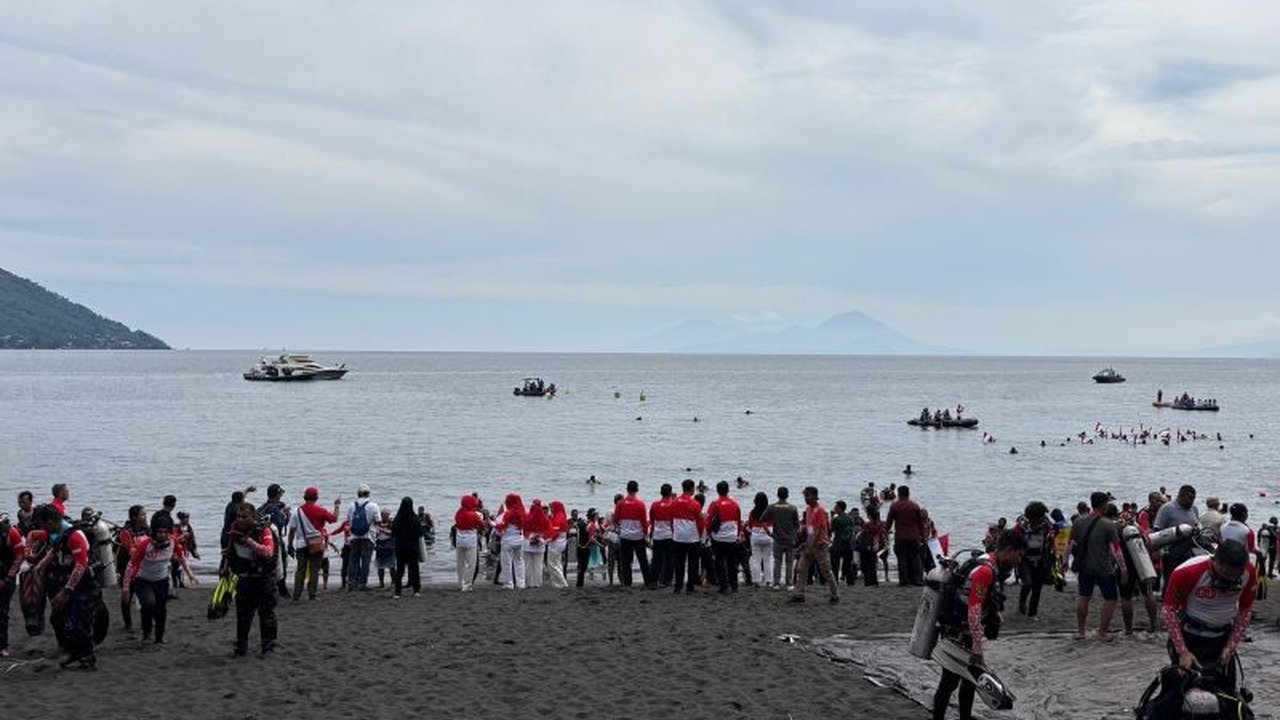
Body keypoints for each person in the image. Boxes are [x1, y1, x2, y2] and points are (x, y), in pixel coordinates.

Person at [931, 530, 1026, 720]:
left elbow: (978, 598)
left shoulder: (986, 561)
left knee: (969, 681)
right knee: (949, 682)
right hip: (959, 633)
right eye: (1019, 555)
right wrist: (976, 644)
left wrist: (994, 613)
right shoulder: (986, 570)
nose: (1019, 561)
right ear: (1009, 550)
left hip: (959, 629)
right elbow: (973, 609)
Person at [1162, 540, 1257, 688]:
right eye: (1226, 573)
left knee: (1226, 690)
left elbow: (1245, 611)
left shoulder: (1248, 572)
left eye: (1236, 575)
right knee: (1182, 688)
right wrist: (1183, 652)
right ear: (1214, 561)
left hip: (1222, 637)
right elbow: (1168, 610)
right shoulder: (1188, 572)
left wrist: (1230, 647)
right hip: (1190, 636)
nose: (1231, 579)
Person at [27, 504, 99, 668]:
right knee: (58, 619)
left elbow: (81, 566)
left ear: (51, 521)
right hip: (68, 579)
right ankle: (73, 651)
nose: (43, 529)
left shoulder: (74, 536)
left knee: (80, 622)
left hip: (84, 583)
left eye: (44, 525)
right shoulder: (59, 533)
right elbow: (54, 551)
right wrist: (40, 566)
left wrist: (66, 591)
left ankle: (87, 657)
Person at [122, 512, 195, 645]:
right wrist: (126, 589)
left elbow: (181, 557)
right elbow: (131, 565)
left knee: (161, 608)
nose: (161, 535)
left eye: (164, 532)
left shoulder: (173, 541)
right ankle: (147, 632)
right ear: (154, 532)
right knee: (149, 604)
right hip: (143, 580)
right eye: (158, 532)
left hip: (161, 580)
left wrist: (190, 574)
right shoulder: (145, 545)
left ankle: (159, 637)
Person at [1069, 491, 1126, 642]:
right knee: (1110, 599)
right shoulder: (1108, 524)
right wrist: (1123, 569)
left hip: (1084, 566)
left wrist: (1063, 563)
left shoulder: (1079, 522)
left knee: (1084, 597)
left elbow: (1070, 544)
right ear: (1104, 505)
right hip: (1103, 567)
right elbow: (1116, 549)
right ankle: (1102, 632)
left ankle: (1081, 631)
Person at [223, 501, 278, 657]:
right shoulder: (234, 530)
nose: (240, 519)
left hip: (263, 579)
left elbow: (268, 551)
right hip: (244, 578)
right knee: (243, 615)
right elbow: (229, 549)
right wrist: (226, 567)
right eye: (239, 516)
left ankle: (268, 647)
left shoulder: (264, 530)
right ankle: (241, 647)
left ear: (252, 517)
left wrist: (249, 542)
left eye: (244, 516)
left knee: (266, 614)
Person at [286, 486, 340, 601]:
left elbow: (291, 530)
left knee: (300, 570)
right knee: (314, 570)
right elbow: (334, 519)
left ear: (305, 497)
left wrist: (290, 544)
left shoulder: (296, 512)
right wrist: (336, 506)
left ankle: (296, 595)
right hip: (316, 545)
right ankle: (312, 595)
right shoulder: (320, 510)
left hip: (301, 545)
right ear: (316, 498)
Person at [790, 486, 838, 604]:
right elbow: (810, 528)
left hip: (820, 545)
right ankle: (799, 594)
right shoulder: (809, 509)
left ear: (815, 496)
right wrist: (805, 537)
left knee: (826, 571)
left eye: (808, 495)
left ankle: (835, 594)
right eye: (805, 496)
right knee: (801, 568)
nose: (806, 498)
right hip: (810, 543)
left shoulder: (820, 510)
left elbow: (818, 530)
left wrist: (810, 545)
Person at [1153, 484, 1200, 586]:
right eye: (1188, 499)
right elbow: (1157, 529)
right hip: (1171, 551)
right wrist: (1156, 550)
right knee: (1170, 581)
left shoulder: (1194, 509)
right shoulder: (1167, 508)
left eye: (1193, 499)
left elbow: (1197, 526)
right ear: (1180, 496)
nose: (1190, 501)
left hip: (1189, 551)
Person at [1015, 501, 1055, 618]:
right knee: (1027, 583)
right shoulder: (1021, 527)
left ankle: (1032, 613)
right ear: (1033, 518)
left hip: (1040, 560)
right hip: (1024, 561)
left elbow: (1051, 542)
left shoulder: (1047, 526)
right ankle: (1022, 603)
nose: (1043, 518)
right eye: (1041, 516)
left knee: (1037, 588)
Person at [115, 504, 149, 631]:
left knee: (145, 596)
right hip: (126, 566)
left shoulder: (146, 528)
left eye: (145, 514)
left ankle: (145, 621)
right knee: (127, 594)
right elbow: (130, 550)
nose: (145, 517)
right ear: (134, 517)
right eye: (142, 514)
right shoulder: (126, 531)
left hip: (143, 566)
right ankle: (128, 623)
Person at [613, 481, 652, 588]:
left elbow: (615, 519)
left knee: (626, 561)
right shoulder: (640, 504)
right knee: (642, 559)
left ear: (627, 489)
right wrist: (645, 533)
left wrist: (623, 527)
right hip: (638, 536)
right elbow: (644, 521)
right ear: (637, 490)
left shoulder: (621, 503)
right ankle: (647, 581)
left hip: (625, 536)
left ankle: (627, 582)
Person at [707, 480, 742, 594]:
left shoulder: (714, 504)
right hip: (732, 537)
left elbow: (708, 521)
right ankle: (734, 586)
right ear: (728, 490)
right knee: (732, 563)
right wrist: (737, 535)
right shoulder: (735, 504)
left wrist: (708, 534)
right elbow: (738, 521)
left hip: (718, 538)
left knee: (719, 562)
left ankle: (723, 586)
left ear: (717, 491)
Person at [887, 485, 926, 586]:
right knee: (915, 558)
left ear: (899, 494)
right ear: (908, 493)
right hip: (913, 536)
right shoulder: (915, 506)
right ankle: (917, 580)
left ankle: (904, 580)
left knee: (902, 559)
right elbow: (920, 523)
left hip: (900, 536)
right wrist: (922, 535)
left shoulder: (895, 506)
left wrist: (886, 531)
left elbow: (889, 522)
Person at [0, 512, 27, 658]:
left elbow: (20, 555)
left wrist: (8, 578)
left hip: (5, 578)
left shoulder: (10, 533)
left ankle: (2, 646)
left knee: (2, 613)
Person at [763, 487, 800, 590]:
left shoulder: (772, 507)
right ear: (787, 495)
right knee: (789, 562)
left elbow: (762, 520)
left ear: (777, 494)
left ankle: (776, 583)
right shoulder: (793, 508)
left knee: (777, 561)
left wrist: (768, 532)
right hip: (790, 539)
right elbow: (797, 525)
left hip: (777, 538)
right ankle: (789, 584)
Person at [671, 479, 703, 594]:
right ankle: (690, 587)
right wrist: (699, 536)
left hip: (678, 537)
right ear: (692, 489)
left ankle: (678, 587)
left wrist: (674, 531)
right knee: (693, 563)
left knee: (679, 562)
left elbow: (671, 520)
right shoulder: (695, 504)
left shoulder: (674, 502)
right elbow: (700, 522)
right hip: (692, 537)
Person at [257, 484, 290, 596]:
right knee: (281, 563)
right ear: (277, 494)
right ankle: (282, 590)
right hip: (275, 538)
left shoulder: (263, 507)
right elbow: (281, 524)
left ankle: (271, 586)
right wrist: (286, 515)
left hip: (264, 539)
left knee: (267, 563)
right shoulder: (275, 509)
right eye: (280, 493)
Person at [344, 484, 378, 591]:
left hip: (354, 537)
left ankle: (352, 583)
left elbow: (349, 520)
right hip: (368, 537)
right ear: (368, 493)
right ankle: (363, 584)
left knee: (353, 560)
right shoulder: (373, 506)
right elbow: (378, 521)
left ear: (358, 494)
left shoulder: (351, 505)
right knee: (365, 561)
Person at [452, 495, 485, 591]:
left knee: (460, 563)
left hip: (459, 540)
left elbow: (456, 523)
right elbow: (482, 526)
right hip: (470, 540)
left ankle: (460, 583)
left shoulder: (458, 513)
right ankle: (467, 584)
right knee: (471, 563)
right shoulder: (474, 515)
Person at [391, 497, 422, 597]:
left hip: (400, 547)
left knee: (400, 569)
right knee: (414, 569)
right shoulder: (415, 519)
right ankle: (416, 590)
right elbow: (420, 534)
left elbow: (393, 534)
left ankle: (397, 592)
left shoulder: (397, 519)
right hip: (413, 547)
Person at [494, 493, 526, 590]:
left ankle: (509, 583)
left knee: (506, 562)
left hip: (508, 540)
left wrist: (491, 523)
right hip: (519, 540)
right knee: (519, 561)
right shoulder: (522, 512)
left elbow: (501, 526)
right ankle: (521, 583)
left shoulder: (509, 513)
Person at [649, 484, 675, 587]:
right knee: (670, 559)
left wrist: (651, 533)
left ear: (661, 492)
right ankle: (667, 580)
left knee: (656, 559)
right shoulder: (673, 504)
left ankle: (654, 580)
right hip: (670, 535)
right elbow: (674, 521)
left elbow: (651, 520)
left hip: (658, 535)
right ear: (670, 493)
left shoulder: (655, 505)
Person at [746, 492, 773, 588]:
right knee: (767, 559)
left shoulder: (753, 512)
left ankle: (756, 581)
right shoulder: (770, 511)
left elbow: (750, 525)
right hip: (768, 536)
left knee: (756, 559)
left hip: (756, 536)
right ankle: (768, 581)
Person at [523, 499, 551, 588]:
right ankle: (537, 583)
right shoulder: (545, 519)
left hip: (528, 542)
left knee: (527, 565)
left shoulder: (527, 517)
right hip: (539, 542)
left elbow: (524, 530)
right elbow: (549, 531)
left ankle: (528, 582)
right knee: (538, 565)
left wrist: (529, 537)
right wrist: (542, 539)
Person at [829, 501, 856, 586]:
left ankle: (835, 581)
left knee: (835, 565)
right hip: (848, 544)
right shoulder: (850, 518)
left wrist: (832, 516)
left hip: (838, 544)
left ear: (839, 508)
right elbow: (852, 529)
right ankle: (850, 581)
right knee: (848, 564)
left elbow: (831, 529)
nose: (834, 508)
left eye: (836, 507)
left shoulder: (837, 519)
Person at [856, 508, 885, 587]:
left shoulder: (867, 524)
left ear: (870, 516)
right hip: (876, 544)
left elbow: (865, 534)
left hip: (867, 545)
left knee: (866, 563)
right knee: (872, 564)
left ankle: (868, 581)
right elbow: (880, 534)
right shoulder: (879, 524)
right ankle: (874, 581)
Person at [545, 501, 569, 588]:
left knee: (551, 564)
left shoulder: (558, 517)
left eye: (552, 507)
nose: (551, 509)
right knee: (557, 563)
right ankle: (557, 583)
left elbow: (555, 533)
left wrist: (547, 541)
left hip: (556, 543)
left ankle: (562, 582)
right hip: (561, 542)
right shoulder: (562, 516)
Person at [574, 509, 600, 587]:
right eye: (596, 515)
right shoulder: (592, 525)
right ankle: (580, 583)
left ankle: (579, 582)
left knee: (580, 565)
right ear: (594, 516)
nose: (598, 516)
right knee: (583, 566)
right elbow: (591, 538)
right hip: (586, 547)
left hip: (579, 546)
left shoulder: (582, 523)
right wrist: (600, 545)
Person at [373, 508, 395, 588]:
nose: (384, 516)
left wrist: (382, 530)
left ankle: (393, 581)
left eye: (386, 514)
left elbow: (393, 533)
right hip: (380, 546)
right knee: (380, 566)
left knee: (391, 565)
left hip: (389, 546)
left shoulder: (391, 523)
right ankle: (381, 582)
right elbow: (374, 533)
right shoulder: (377, 523)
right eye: (383, 514)